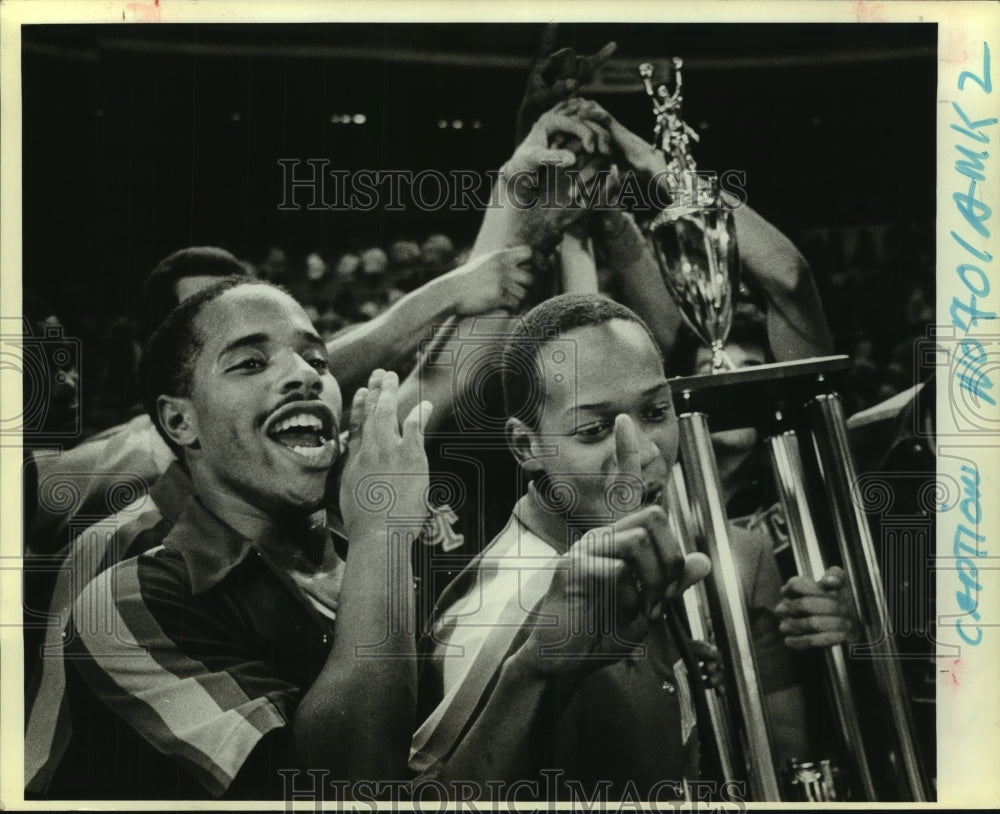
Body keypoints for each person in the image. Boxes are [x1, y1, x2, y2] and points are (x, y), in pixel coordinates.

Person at [412, 294, 810, 801]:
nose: (641, 452)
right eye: (594, 429)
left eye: (654, 411)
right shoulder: (502, 605)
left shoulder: (643, 548)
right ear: (526, 447)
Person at [54, 277, 433, 799]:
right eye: (251, 363)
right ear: (181, 421)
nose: (305, 376)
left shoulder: (356, 552)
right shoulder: (126, 603)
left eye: (318, 361)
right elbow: (351, 785)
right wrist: (385, 531)